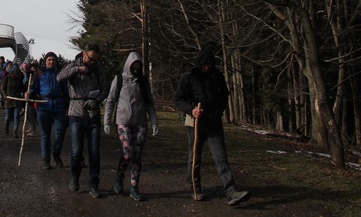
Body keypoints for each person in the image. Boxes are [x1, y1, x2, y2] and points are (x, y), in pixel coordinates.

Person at [175, 46, 251, 206]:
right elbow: (179, 100)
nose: (207, 67)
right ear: (199, 63)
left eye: (209, 64)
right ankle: (195, 188)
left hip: (213, 123)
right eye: (204, 64)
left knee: (221, 157)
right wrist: (192, 110)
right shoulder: (188, 77)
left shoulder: (217, 76)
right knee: (195, 157)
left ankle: (231, 191)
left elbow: (224, 95)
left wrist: (218, 110)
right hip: (195, 123)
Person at [104, 52, 159, 201]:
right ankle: (119, 177)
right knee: (128, 153)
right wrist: (107, 121)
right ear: (128, 66)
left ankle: (134, 187)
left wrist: (154, 122)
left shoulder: (143, 81)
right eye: (133, 68)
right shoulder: (119, 80)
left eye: (138, 68)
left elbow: (149, 103)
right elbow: (110, 100)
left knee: (137, 155)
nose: (135, 71)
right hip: (123, 122)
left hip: (140, 123)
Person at [57, 43, 108, 198]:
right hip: (76, 113)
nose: (92, 62)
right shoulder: (72, 66)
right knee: (76, 150)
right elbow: (59, 77)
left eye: (95, 60)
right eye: (91, 59)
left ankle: (94, 184)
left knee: (94, 152)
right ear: (83, 54)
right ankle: (75, 176)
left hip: (93, 114)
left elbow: (106, 88)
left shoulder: (98, 70)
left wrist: (97, 100)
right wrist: (77, 70)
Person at [27, 52, 68, 170]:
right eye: (49, 60)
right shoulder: (39, 74)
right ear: (45, 61)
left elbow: (66, 91)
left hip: (59, 107)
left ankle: (56, 154)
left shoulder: (60, 75)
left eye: (53, 60)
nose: (51, 62)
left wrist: (67, 105)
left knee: (60, 133)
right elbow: (33, 89)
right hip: (44, 107)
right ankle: (46, 159)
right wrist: (28, 94)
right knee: (45, 135)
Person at [2, 64, 24, 137]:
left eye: (16, 73)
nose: (15, 74)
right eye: (14, 72)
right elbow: (3, 89)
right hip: (9, 100)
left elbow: (22, 88)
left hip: (17, 100)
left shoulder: (19, 80)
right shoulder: (7, 79)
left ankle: (15, 131)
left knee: (16, 116)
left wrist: (25, 94)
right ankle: (6, 127)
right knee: (8, 117)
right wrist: (5, 95)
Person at [22, 61, 39, 137]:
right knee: (27, 114)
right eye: (32, 68)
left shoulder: (36, 77)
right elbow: (24, 84)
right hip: (26, 96)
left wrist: (30, 92)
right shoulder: (27, 75)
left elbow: (35, 87)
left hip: (33, 98)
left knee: (31, 114)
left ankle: (34, 130)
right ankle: (31, 127)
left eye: (34, 68)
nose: (33, 69)